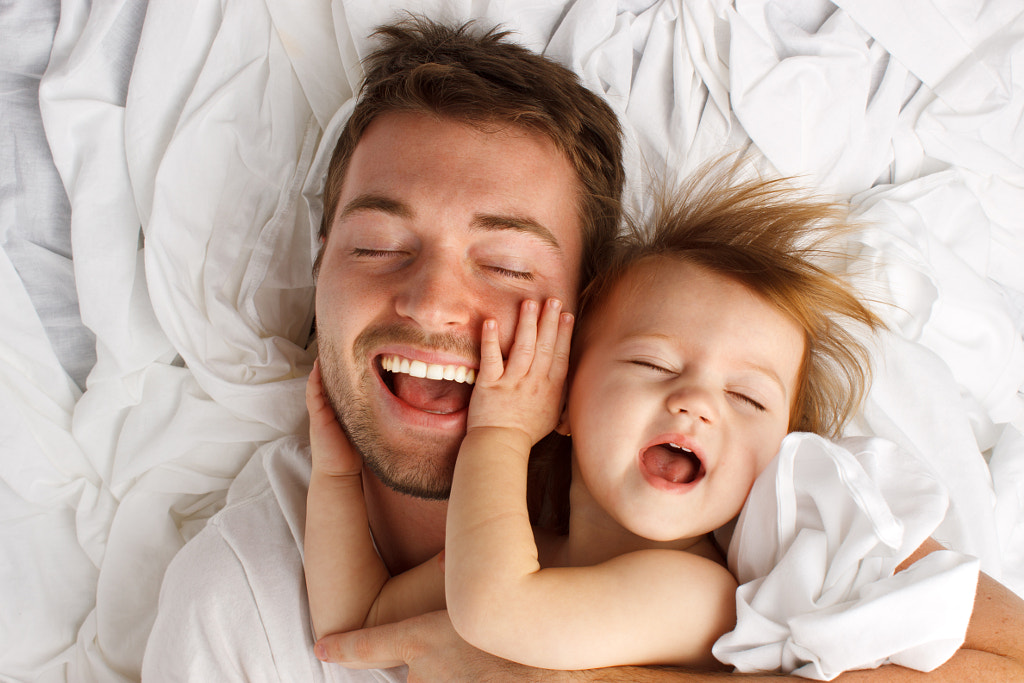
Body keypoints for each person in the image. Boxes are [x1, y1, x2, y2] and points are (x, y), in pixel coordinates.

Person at [142, 16, 1024, 683]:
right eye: (376, 245)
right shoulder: (235, 607)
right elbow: (359, 624)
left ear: (585, 314)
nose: (434, 301)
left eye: (508, 262)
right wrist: (333, 475)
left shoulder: (761, 535)